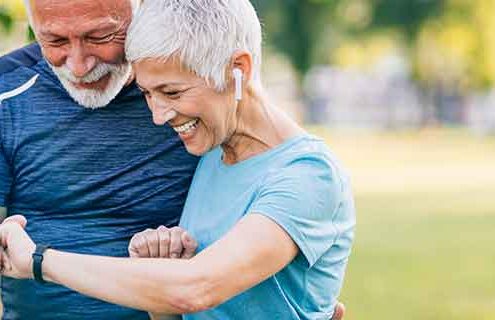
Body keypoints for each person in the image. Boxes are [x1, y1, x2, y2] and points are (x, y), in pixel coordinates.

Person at [0, 1, 355, 320]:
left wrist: (39, 261)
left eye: (171, 92)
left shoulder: (308, 175)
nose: (156, 116)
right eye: (146, 94)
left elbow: (197, 288)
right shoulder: (214, 151)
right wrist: (158, 268)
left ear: (238, 70)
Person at [0, 0, 199, 318]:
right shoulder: (7, 93)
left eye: (100, 37)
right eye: (56, 41)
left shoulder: (193, 87)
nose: (79, 66)